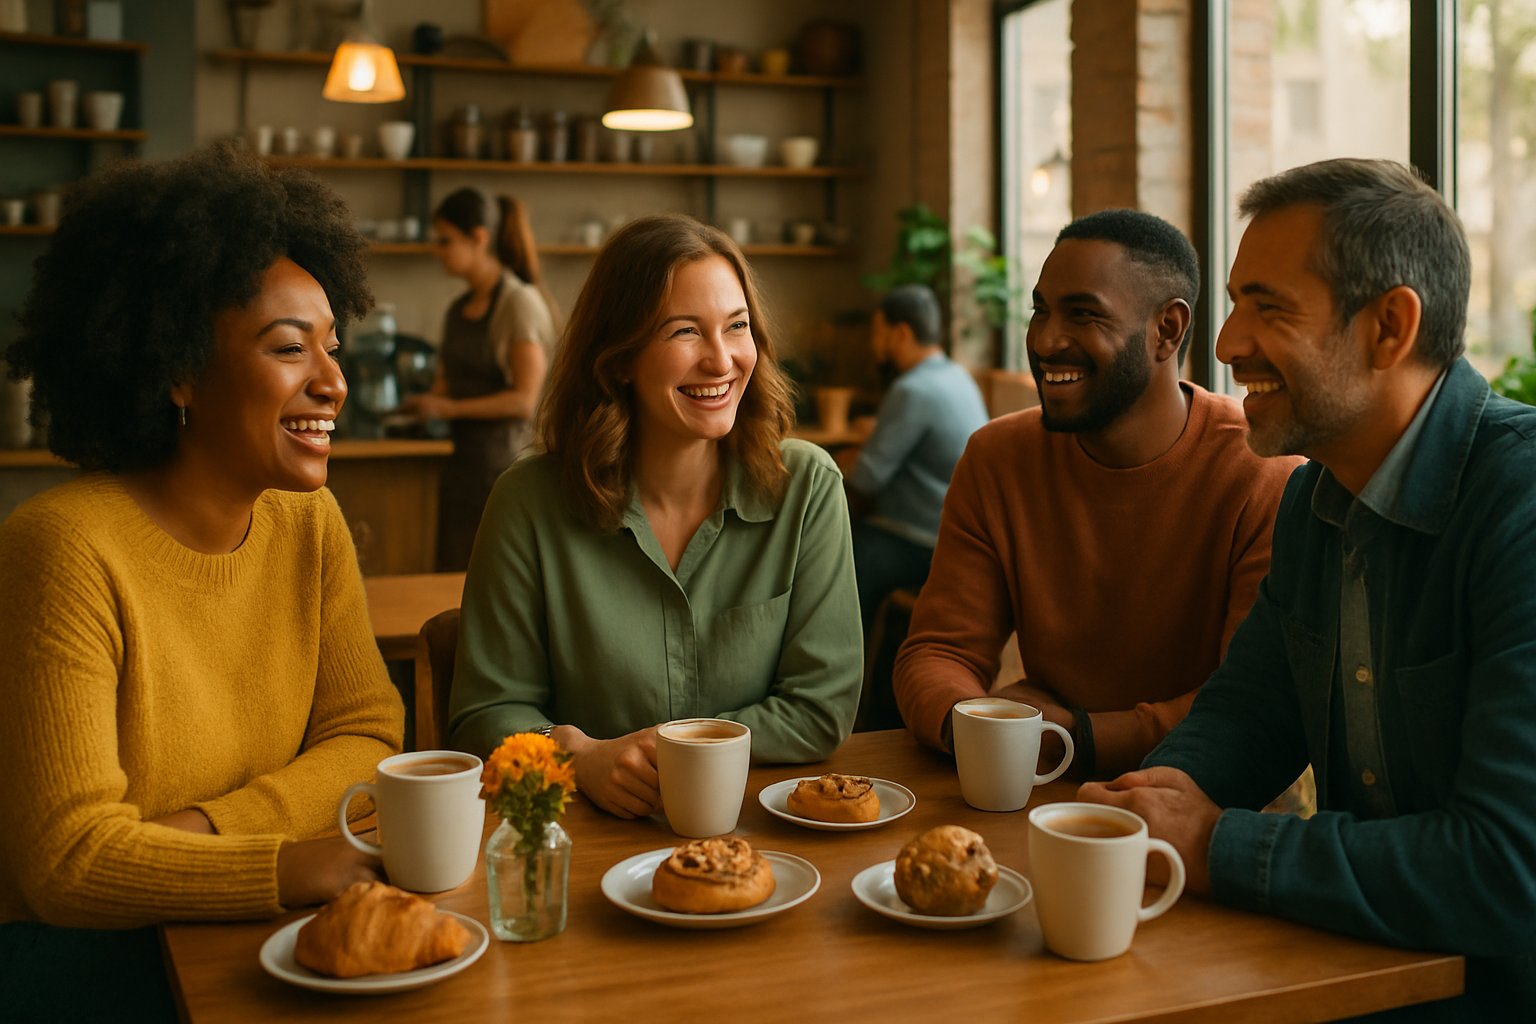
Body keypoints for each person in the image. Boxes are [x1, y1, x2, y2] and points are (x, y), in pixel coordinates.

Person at [1080, 159, 1536, 1018]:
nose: (1225, 343)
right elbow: (1250, 713)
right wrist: (1139, 814)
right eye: (1234, 301)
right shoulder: (1311, 497)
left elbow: (1508, 868)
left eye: (1269, 307)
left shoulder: (1521, 504)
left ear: (1389, 328)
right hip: (1352, 974)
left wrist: (1218, 846)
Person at [0, 145, 405, 1018]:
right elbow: (69, 865)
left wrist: (208, 835)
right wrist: (288, 859)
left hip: (246, 925)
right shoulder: (63, 548)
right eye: (289, 347)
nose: (332, 382)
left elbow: (370, 732)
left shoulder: (308, 523)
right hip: (75, 963)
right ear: (178, 369)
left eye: (332, 348)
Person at [447, 213, 862, 819]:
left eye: (737, 327)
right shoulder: (528, 501)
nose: (721, 361)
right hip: (583, 837)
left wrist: (665, 751)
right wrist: (574, 755)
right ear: (618, 358)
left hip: (758, 830)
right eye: (685, 332)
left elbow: (821, 710)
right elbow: (484, 715)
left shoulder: (808, 489)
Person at [893, 209, 1300, 778]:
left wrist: (1075, 737)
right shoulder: (997, 458)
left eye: (1083, 315)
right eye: (1040, 309)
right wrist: (978, 724)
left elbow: (1247, 708)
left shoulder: (1267, 476)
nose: (1045, 339)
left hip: (1204, 800)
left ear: (1168, 330)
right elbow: (938, 652)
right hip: (1030, 785)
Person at [402, 187, 559, 572]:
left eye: (445, 240)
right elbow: (445, 382)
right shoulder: (457, 309)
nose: (437, 250)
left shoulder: (517, 303)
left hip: (505, 469)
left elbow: (525, 399)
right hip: (460, 468)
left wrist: (448, 407)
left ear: (479, 239)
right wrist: (425, 403)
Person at [842, 283, 989, 635]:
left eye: (879, 333)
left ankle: (843, 674)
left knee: (832, 559)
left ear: (902, 333)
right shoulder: (956, 376)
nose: (874, 343)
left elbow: (865, 481)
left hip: (921, 542)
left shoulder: (911, 390)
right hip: (962, 537)